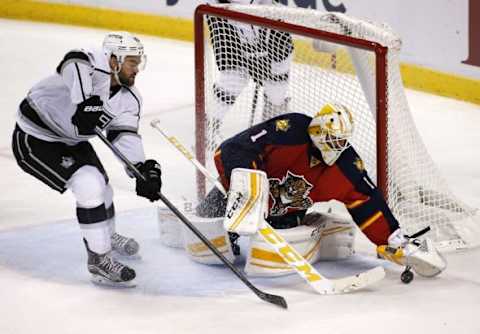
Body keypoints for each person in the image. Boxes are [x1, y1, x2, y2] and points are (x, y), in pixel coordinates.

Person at [197, 103, 447, 278]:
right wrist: (250, 191)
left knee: (274, 258)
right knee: (204, 232)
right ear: (316, 130)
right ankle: (215, 224)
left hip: (285, 215)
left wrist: (393, 239)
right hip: (239, 198)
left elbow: (367, 200)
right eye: (331, 138)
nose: (335, 146)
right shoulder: (290, 129)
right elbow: (234, 148)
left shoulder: (347, 164)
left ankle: (318, 234)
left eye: (340, 141)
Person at [11, 31, 162, 287]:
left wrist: (140, 169)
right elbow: (73, 61)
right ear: (114, 60)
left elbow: (124, 136)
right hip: (36, 137)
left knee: (105, 191)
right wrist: (86, 102)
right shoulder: (92, 64)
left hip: (72, 141)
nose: (137, 69)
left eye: (139, 62)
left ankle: (106, 235)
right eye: (132, 62)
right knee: (89, 185)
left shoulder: (129, 98)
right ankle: (98, 260)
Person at [206, 0, 294, 146]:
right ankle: (208, 128)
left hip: (269, 30)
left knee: (276, 89)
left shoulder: (272, 8)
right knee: (233, 79)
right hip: (228, 20)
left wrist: (265, 58)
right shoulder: (218, 9)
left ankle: (273, 126)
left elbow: (281, 48)